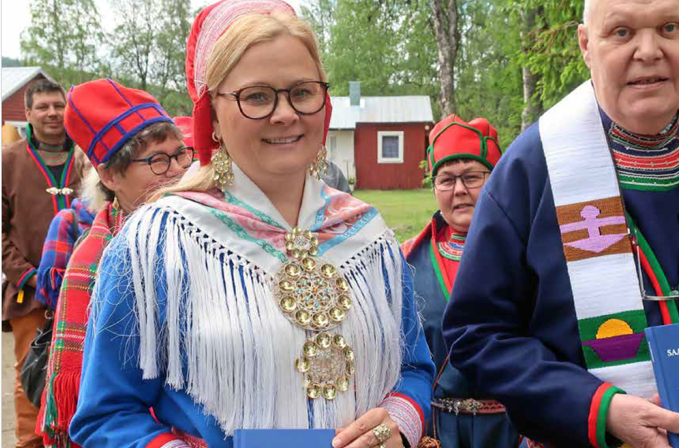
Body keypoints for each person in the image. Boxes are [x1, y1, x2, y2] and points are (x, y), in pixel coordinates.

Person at [69, 2, 434, 448]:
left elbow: (413, 369)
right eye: (257, 96)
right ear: (212, 115)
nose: (285, 114)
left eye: (302, 92)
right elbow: (106, 415)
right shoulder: (157, 243)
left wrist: (396, 425)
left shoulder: (368, 235)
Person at [442, 1, 679, 447]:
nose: (648, 51)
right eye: (622, 32)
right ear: (585, 44)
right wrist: (597, 408)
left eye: (670, 27)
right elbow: (477, 335)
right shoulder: (531, 171)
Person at [34, 78, 191, 448]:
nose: (178, 170)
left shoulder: (202, 230)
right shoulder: (96, 260)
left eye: (181, 154)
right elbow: (98, 410)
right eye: (157, 160)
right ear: (110, 175)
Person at [401, 115, 526, 448]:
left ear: (496, 180)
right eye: (446, 180)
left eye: (471, 177)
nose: (459, 190)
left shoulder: (529, 255)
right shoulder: (405, 261)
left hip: (515, 430)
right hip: (436, 431)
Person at [2, 78, 90, 448]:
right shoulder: (7, 161)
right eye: (43, 107)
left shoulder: (89, 156)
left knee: (85, 372)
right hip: (29, 291)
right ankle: (31, 443)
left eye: (59, 105)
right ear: (28, 113)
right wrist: (30, 276)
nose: (52, 113)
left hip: (89, 287)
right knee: (31, 370)